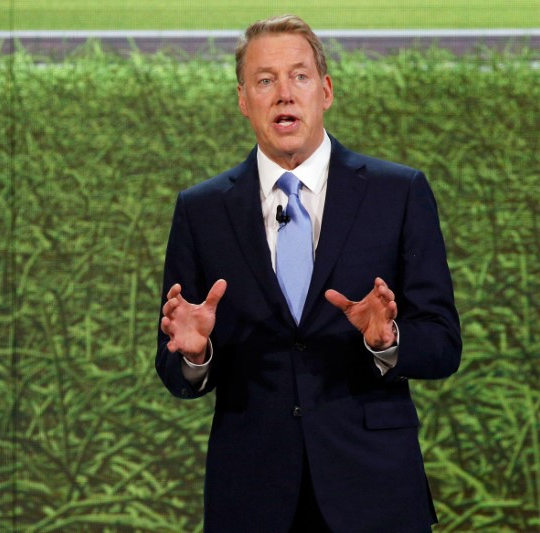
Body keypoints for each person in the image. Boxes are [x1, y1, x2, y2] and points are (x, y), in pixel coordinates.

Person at [155, 14, 461, 532]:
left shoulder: (398, 193)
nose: (283, 94)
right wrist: (194, 354)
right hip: (251, 496)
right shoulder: (202, 210)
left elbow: (443, 344)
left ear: (325, 91)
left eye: (298, 76)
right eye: (264, 80)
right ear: (243, 99)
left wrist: (386, 341)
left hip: (374, 491)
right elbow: (175, 374)